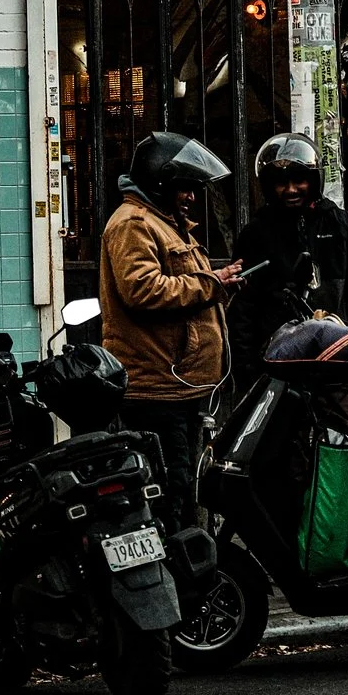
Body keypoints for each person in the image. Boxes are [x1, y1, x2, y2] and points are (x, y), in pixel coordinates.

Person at [98, 130, 241, 532]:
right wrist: (212, 283)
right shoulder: (133, 224)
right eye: (185, 188)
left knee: (181, 485)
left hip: (181, 386)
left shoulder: (167, 224)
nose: (191, 197)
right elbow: (142, 290)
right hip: (156, 388)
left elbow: (186, 292)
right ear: (160, 181)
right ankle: (170, 580)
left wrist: (219, 284)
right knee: (170, 488)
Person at [230, 133, 348, 425]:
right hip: (275, 369)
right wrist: (247, 369)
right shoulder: (256, 234)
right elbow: (243, 308)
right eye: (281, 183)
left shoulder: (343, 226)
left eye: (299, 180)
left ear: (313, 181)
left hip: (340, 363)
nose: (291, 190)